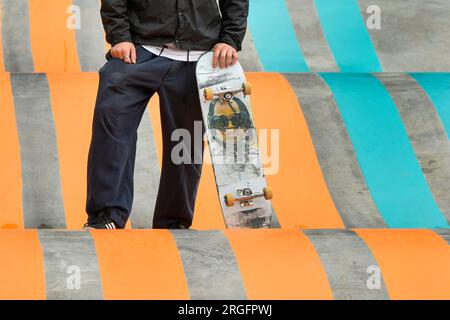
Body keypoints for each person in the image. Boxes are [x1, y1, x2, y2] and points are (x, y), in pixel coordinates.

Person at [84, 0, 249, 230]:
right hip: (141, 50)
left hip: (198, 59)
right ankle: (107, 215)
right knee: (112, 118)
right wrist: (120, 36)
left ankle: (173, 221)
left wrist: (229, 39)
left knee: (186, 141)